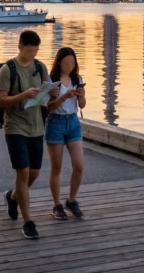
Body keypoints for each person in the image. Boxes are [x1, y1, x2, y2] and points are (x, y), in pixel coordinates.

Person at [0, 30, 55, 240]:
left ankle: (13, 197)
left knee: (35, 173)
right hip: (15, 126)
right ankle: (28, 221)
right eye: (29, 50)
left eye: (36, 51)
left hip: (37, 126)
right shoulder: (7, 69)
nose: (32, 55)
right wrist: (23, 95)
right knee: (23, 172)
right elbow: (1, 100)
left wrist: (53, 93)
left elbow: (46, 92)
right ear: (20, 46)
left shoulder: (40, 67)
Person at [45, 47, 88, 220]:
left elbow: (82, 105)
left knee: (79, 165)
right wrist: (63, 97)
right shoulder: (51, 81)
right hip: (56, 122)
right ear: (59, 62)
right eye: (66, 63)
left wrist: (81, 95)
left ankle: (71, 199)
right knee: (56, 168)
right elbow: (48, 107)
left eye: (72, 63)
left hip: (73, 122)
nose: (69, 66)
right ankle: (56, 205)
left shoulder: (77, 79)